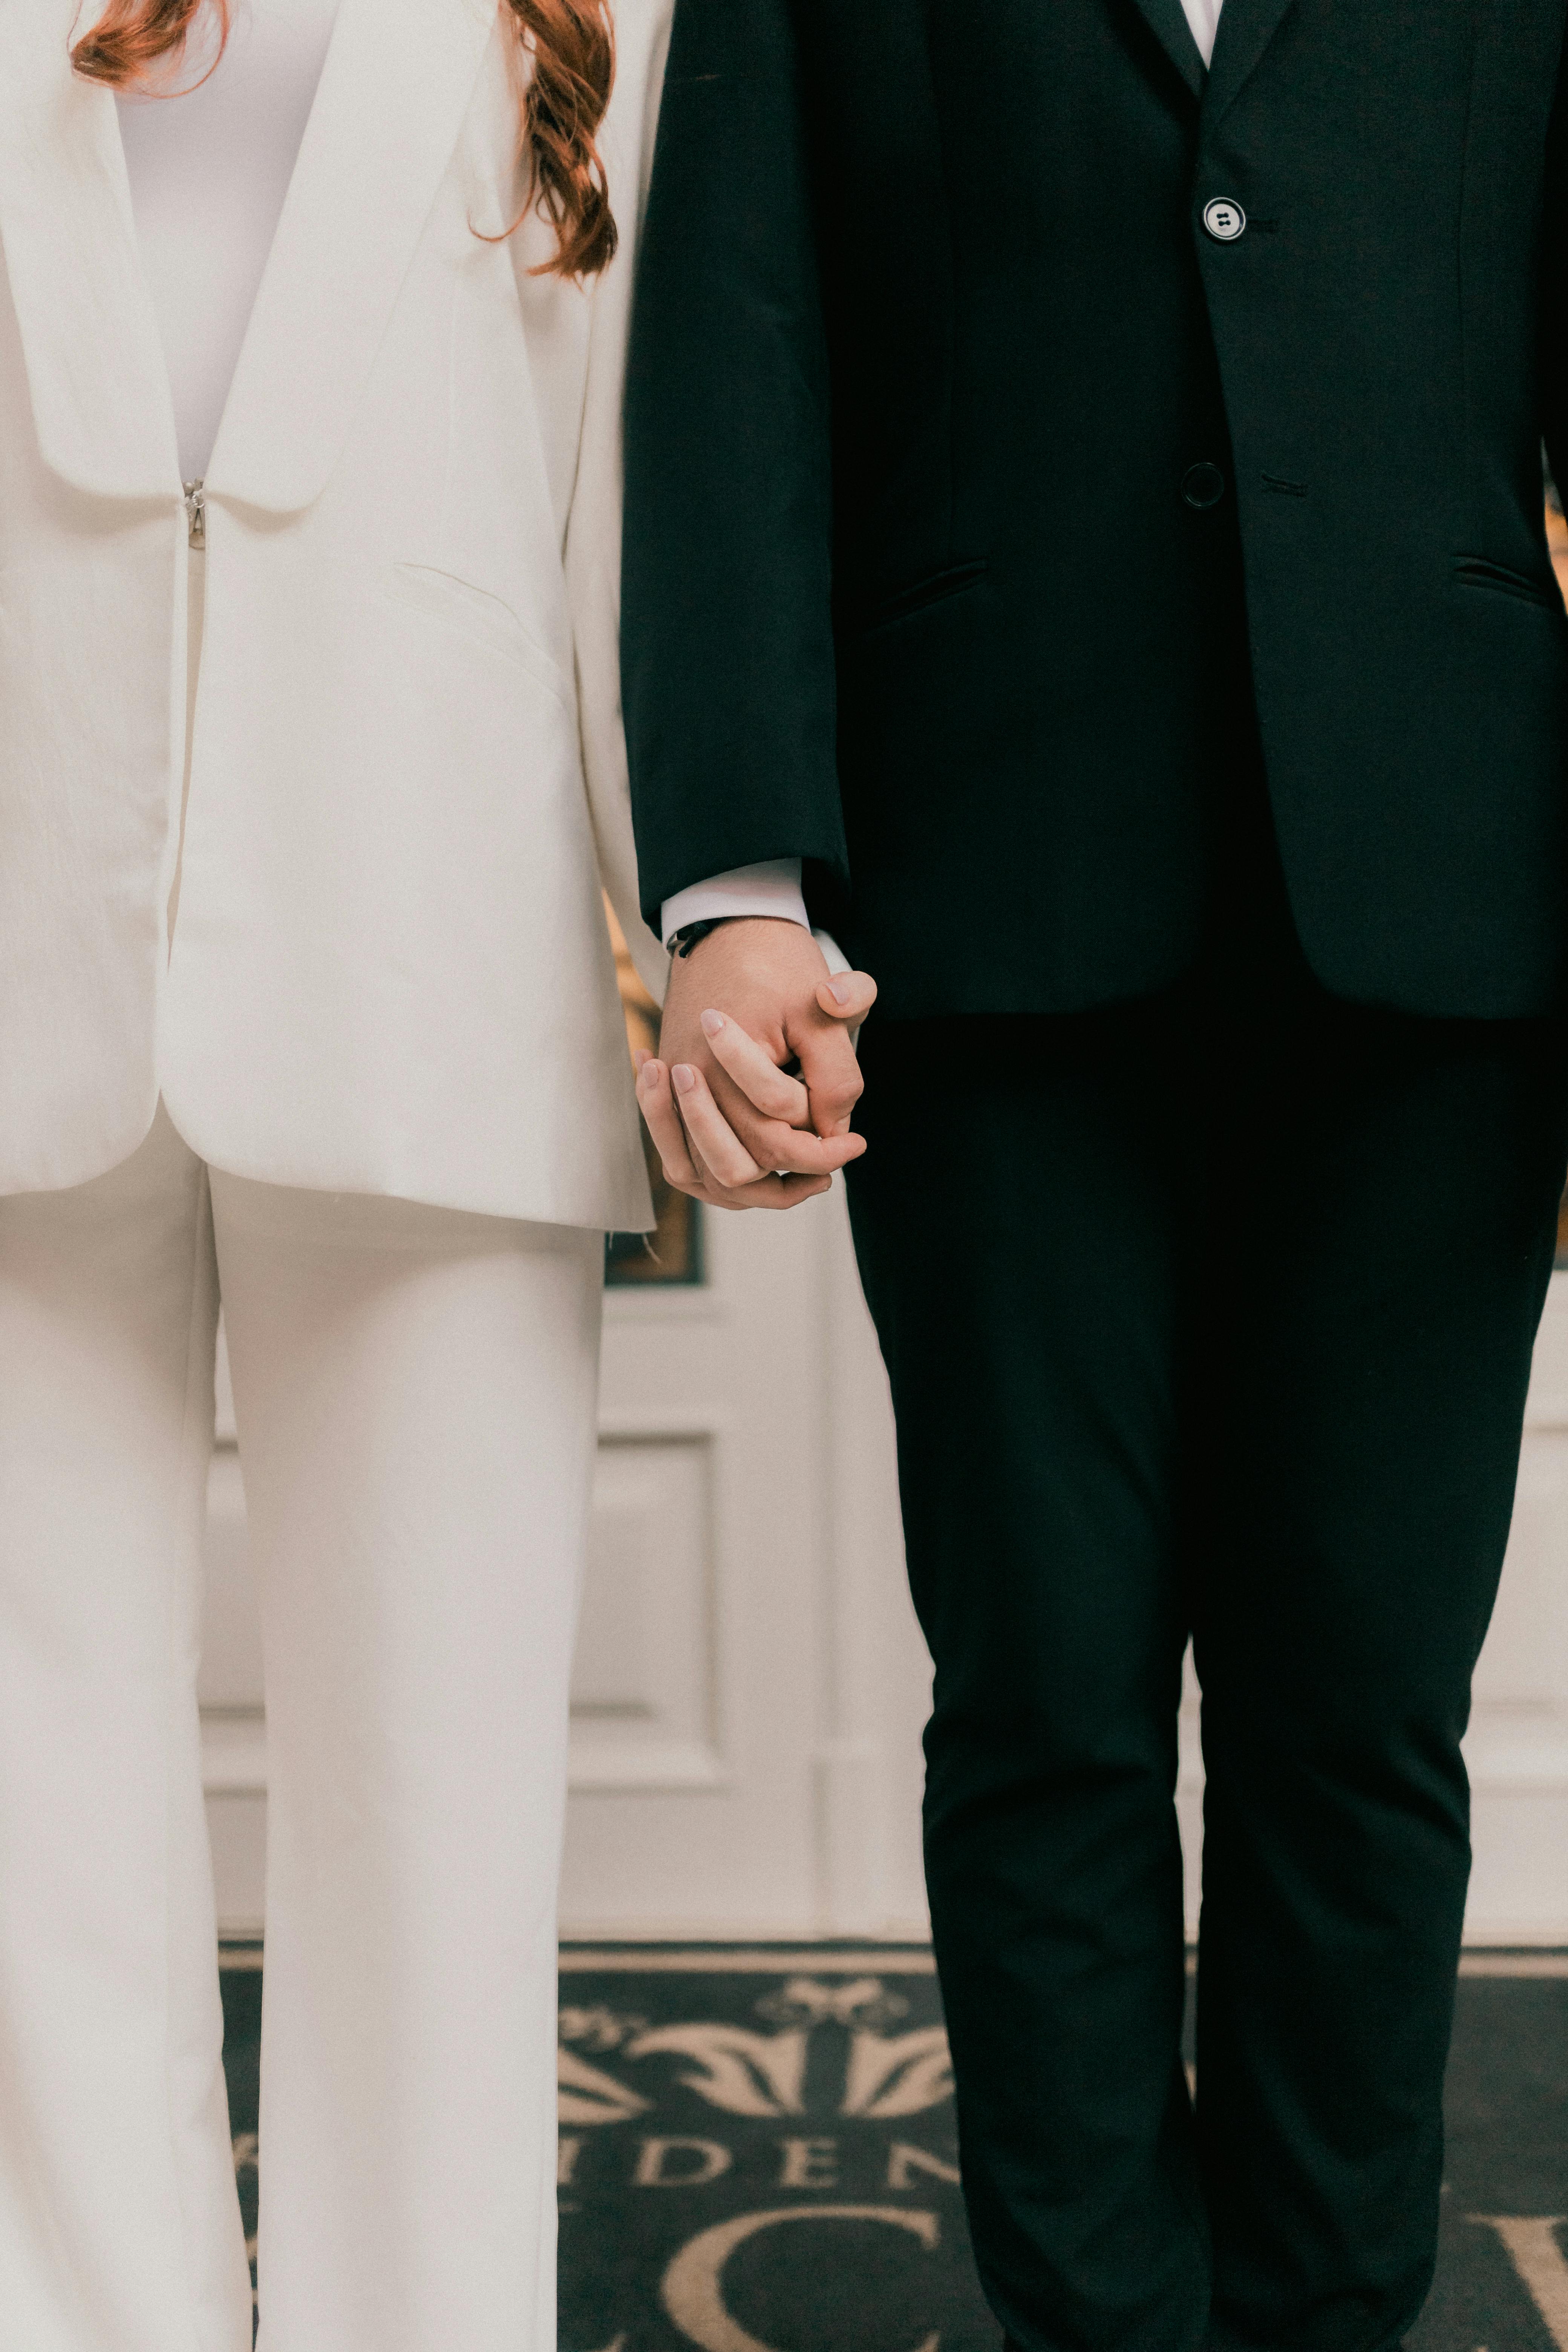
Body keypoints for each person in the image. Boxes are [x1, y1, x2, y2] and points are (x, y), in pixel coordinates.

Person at [620, 2, 1568, 2347]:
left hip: (1440, 910)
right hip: (993, 911)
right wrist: (740, 887)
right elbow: (735, 353)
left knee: (1363, 1721)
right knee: (1043, 1708)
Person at [0, 0, 671, 2344]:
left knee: (435, 1809)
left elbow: (629, 525)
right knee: (26, 1799)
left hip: (432, 971)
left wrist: (710, 925)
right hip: (25, 961)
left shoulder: (603, 19)